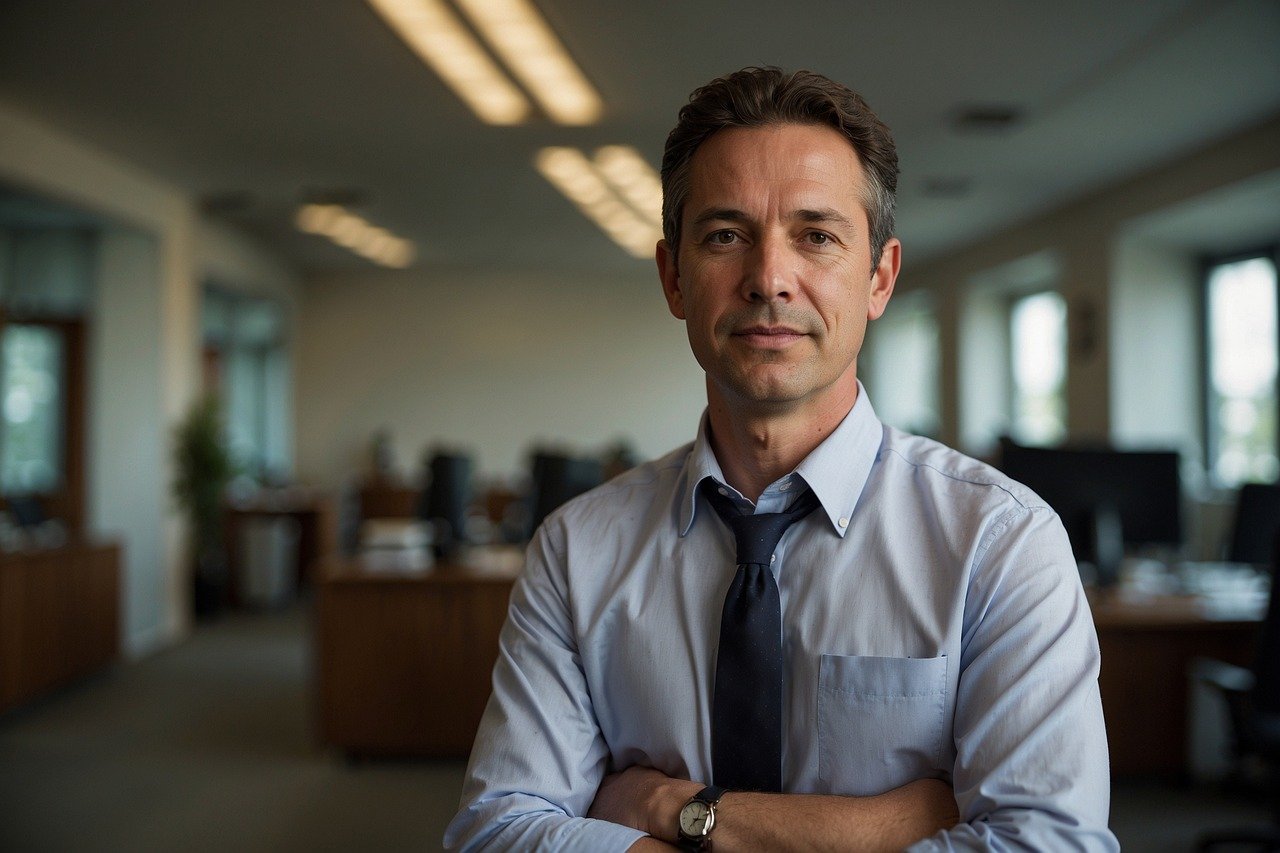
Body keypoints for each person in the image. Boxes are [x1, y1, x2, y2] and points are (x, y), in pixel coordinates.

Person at [445, 66, 1118, 851]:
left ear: (879, 278)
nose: (769, 278)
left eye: (816, 236)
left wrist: (668, 807)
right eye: (725, 236)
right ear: (674, 278)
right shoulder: (575, 551)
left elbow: (1049, 843)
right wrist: (887, 824)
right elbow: (495, 831)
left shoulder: (1001, 542)